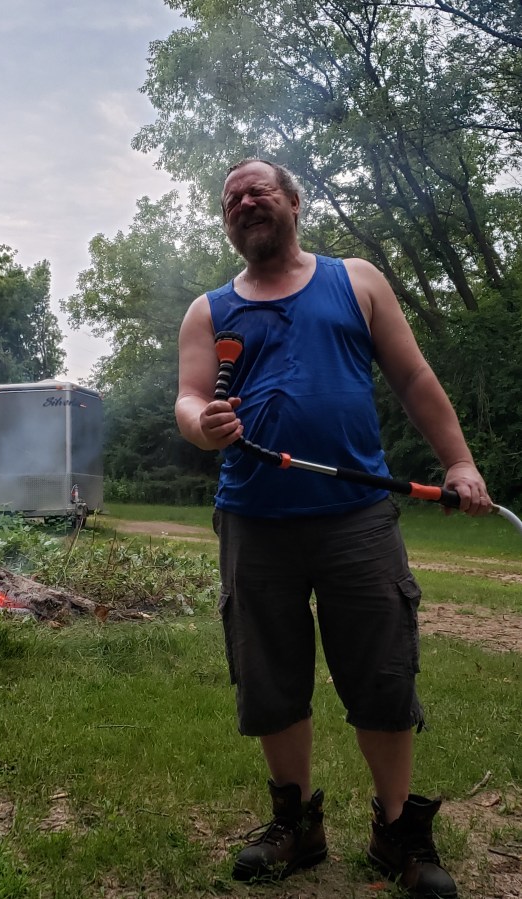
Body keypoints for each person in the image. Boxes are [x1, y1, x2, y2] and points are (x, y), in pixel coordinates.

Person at [175, 158, 492, 898]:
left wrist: (460, 463)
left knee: (382, 672)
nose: (244, 202)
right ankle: (296, 824)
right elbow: (188, 399)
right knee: (270, 677)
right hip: (253, 519)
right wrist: (203, 423)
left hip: (357, 518)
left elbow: (414, 377)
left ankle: (397, 831)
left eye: (257, 189)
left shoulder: (356, 279)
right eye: (230, 199)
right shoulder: (208, 310)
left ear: (293, 201)